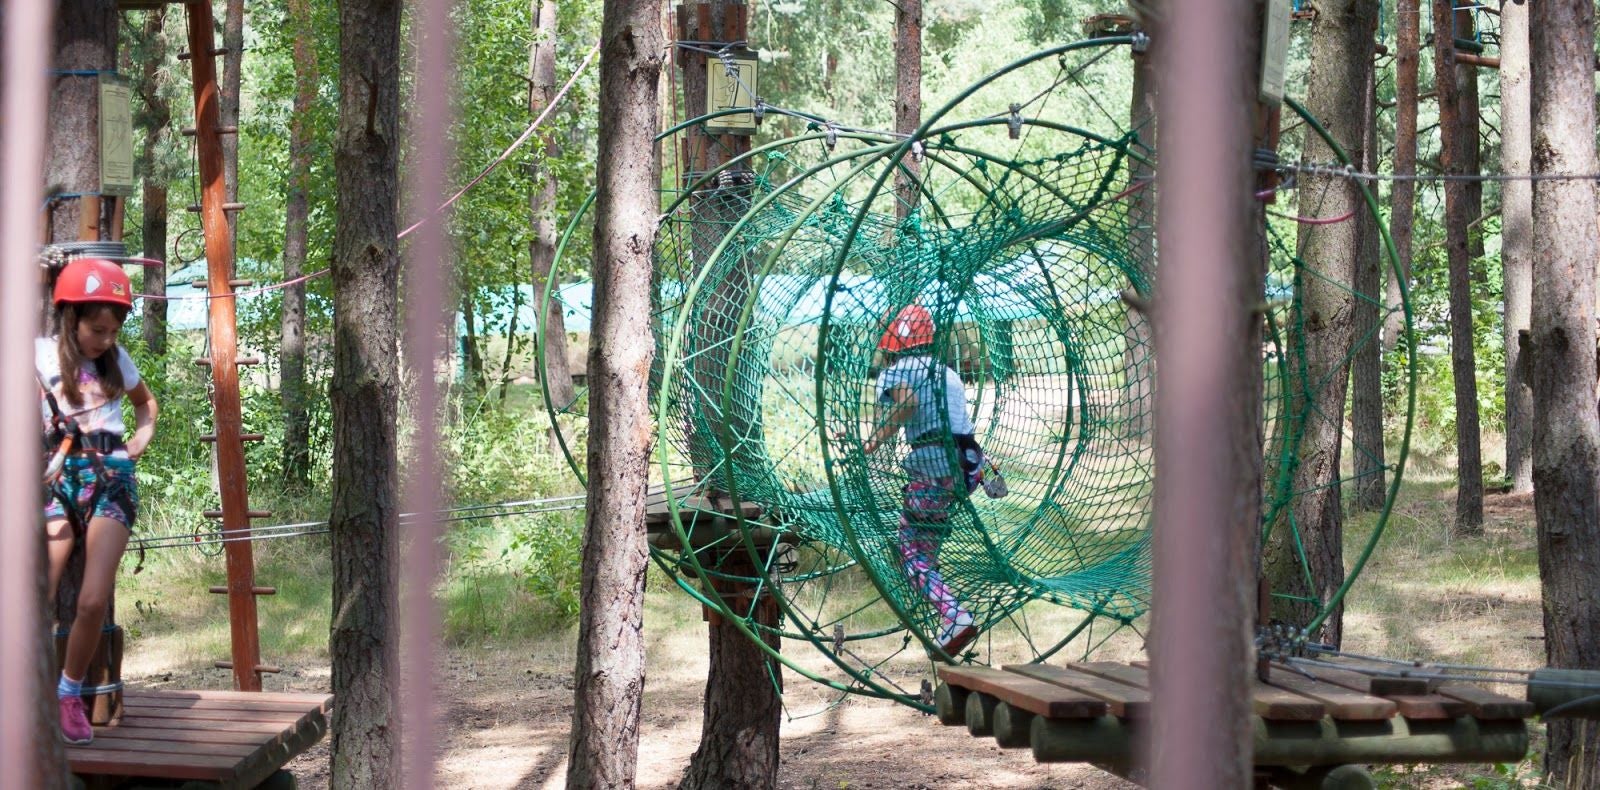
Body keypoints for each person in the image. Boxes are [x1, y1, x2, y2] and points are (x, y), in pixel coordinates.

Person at [39, 258, 158, 745]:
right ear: (70, 318)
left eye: (112, 330)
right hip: (58, 478)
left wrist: (139, 441)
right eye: (96, 328)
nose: (105, 339)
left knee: (90, 601)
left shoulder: (117, 360)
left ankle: (69, 694)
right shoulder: (39, 355)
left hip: (112, 480)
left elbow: (146, 404)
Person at [859, 303, 998, 656]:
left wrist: (871, 442)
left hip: (932, 470)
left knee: (909, 553)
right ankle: (948, 624)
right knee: (925, 551)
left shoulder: (896, 372)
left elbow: (906, 405)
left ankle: (954, 616)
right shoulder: (947, 372)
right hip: (965, 469)